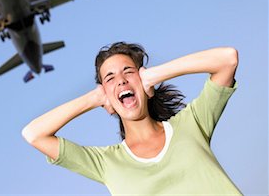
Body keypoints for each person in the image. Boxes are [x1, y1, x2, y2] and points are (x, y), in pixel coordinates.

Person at [22, 42, 241, 195]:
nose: (121, 81)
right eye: (110, 78)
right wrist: (94, 98)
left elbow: (227, 59)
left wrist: (156, 74)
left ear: (145, 83)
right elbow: (33, 134)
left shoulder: (192, 122)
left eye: (129, 72)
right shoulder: (105, 163)